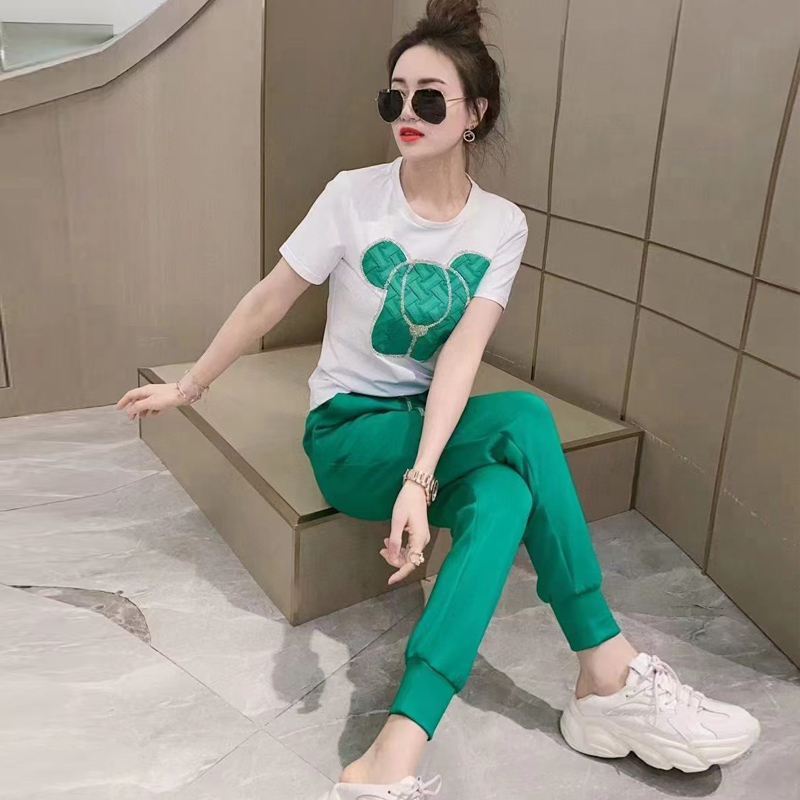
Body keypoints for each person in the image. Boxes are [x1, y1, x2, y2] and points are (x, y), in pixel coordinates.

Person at [117, 1, 761, 798]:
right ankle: (604, 667)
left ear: (474, 113)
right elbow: (268, 300)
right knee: (524, 417)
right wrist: (190, 386)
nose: (407, 114)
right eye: (394, 97)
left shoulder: (500, 226)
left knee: (504, 495)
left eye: (429, 98)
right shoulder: (353, 197)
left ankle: (391, 755)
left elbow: (461, 356)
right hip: (348, 434)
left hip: (423, 430)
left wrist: (421, 477)